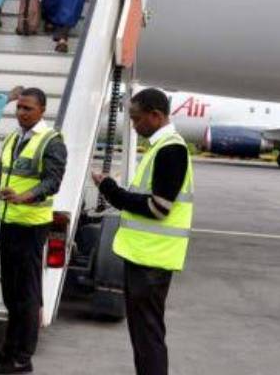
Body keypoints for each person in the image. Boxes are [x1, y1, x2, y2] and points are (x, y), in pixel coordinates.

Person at [92, 88, 193, 375]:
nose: (134, 125)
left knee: (148, 336)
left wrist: (110, 189)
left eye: (136, 119)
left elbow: (159, 208)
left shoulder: (171, 150)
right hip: (145, 256)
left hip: (152, 260)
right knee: (144, 335)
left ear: (156, 115)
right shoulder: (162, 147)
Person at [0, 88, 67, 375]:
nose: (21, 113)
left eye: (28, 108)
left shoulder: (52, 141)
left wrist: (24, 197)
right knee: (10, 292)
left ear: (42, 110)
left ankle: (22, 358)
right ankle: (8, 350)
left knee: (27, 295)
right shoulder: (12, 138)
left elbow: (53, 182)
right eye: (19, 107)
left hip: (31, 227)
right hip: (9, 224)